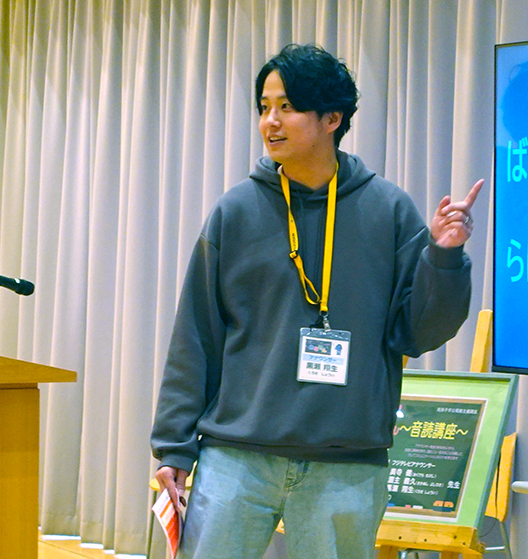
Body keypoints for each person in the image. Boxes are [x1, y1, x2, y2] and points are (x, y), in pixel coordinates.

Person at [150, 43, 483, 559]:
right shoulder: (235, 211)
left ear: (332, 118)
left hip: (347, 461)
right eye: (264, 107)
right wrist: (174, 446)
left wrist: (443, 256)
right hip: (237, 455)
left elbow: (419, 333)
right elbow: (197, 333)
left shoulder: (388, 210)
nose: (270, 122)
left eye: (287, 107)